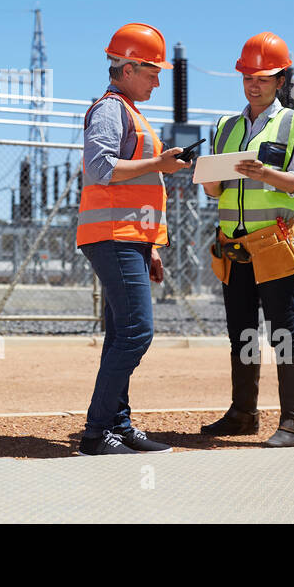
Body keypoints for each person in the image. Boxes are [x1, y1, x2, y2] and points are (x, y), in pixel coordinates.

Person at [75, 23, 191, 455]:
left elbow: (134, 182)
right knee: (137, 332)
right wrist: (158, 164)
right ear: (126, 68)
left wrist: (151, 247)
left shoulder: (130, 111)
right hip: (112, 236)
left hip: (129, 239)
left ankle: (118, 424)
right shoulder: (110, 110)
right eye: (152, 72)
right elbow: (100, 169)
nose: (159, 80)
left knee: (120, 332)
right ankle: (95, 432)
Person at [200, 31, 294, 447]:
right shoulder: (226, 127)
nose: (254, 83)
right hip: (234, 245)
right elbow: (214, 193)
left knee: (282, 330)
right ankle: (242, 414)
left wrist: (266, 174)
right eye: (248, 76)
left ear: (281, 81)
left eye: (264, 77)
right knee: (242, 332)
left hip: (275, 243)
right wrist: (210, 180)